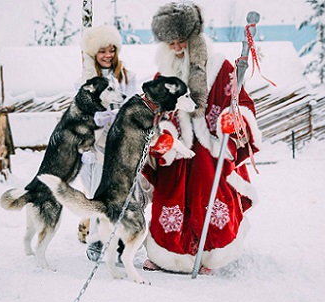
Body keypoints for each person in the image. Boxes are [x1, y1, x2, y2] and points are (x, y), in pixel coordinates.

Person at [141, 1, 261, 274]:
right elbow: (154, 114)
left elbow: (241, 103)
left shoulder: (222, 68)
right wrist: (160, 136)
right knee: (168, 201)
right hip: (175, 152)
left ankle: (210, 257)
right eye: (170, 42)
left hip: (211, 152)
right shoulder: (163, 74)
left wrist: (237, 120)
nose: (177, 48)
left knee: (209, 198)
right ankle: (165, 255)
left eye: (181, 40)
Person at [74, 25, 140, 257]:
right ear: (94, 53)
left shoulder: (127, 77)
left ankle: (121, 241)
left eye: (111, 50)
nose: (108, 55)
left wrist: (117, 115)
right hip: (94, 146)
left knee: (122, 194)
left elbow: (133, 107)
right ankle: (96, 241)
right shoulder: (85, 81)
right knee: (95, 194)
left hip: (120, 145)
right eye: (102, 51)